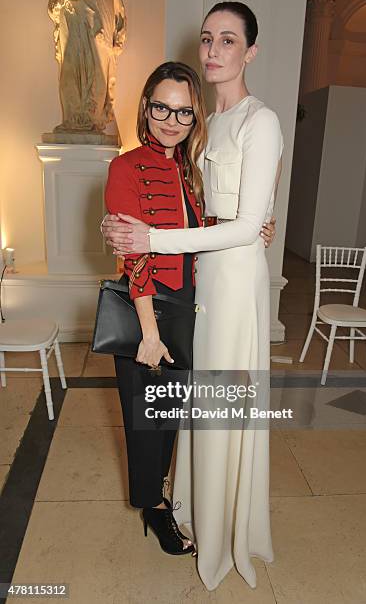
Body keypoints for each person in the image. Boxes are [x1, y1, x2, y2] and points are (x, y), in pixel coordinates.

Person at [102, 2, 283, 590]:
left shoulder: (257, 121)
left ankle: (225, 520)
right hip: (189, 291)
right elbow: (191, 211)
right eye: (207, 38)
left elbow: (229, 217)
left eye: (228, 41)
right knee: (177, 406)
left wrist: (254, 223)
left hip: (225, 286)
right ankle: (171, 505)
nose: (213, 50)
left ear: (250, 51)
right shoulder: (196, 132)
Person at [104, 61, 211, 556]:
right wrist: (149, 332)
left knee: (169, 416)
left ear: (195, 117)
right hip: (152, 313)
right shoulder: (125, 167)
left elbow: (194, 231)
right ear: (146, 106)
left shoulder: (188, 167)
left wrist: (249, 227)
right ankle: (153, 507)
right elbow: (136, 253)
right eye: (162, 107)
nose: (171, 119)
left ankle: (162, 496)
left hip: (186, 306)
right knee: (147, 421)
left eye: (184, 112)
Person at [48, 0, 126, 133]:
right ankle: (73, 118)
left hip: (97, 6)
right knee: (70, 67)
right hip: (69, 8)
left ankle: (92, 117)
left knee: (97, 67)